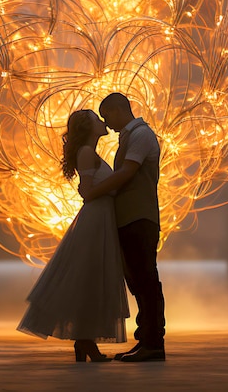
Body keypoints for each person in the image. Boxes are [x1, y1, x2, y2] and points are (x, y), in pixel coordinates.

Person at [17, 109, 129, 362]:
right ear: (87, 128)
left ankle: (85, 341)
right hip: (95, 220)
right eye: (97, 120)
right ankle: (86, 341)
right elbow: (89, 192)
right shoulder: (87, 153)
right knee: (89, 279)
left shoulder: (90, 153)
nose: (103, 122)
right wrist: (117, 185)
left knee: (90, 280)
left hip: (100, 219)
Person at [79, 93, 166, 362]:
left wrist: (92, 192)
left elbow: (127, 173)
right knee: (138, 282)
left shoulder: (140, 135)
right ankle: (146, 340)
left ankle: (153, 343)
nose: (107, 123)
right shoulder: (129, 137)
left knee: (146, 280)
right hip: (129, 218)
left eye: (108, 117)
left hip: (140, 217)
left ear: (118, 111)